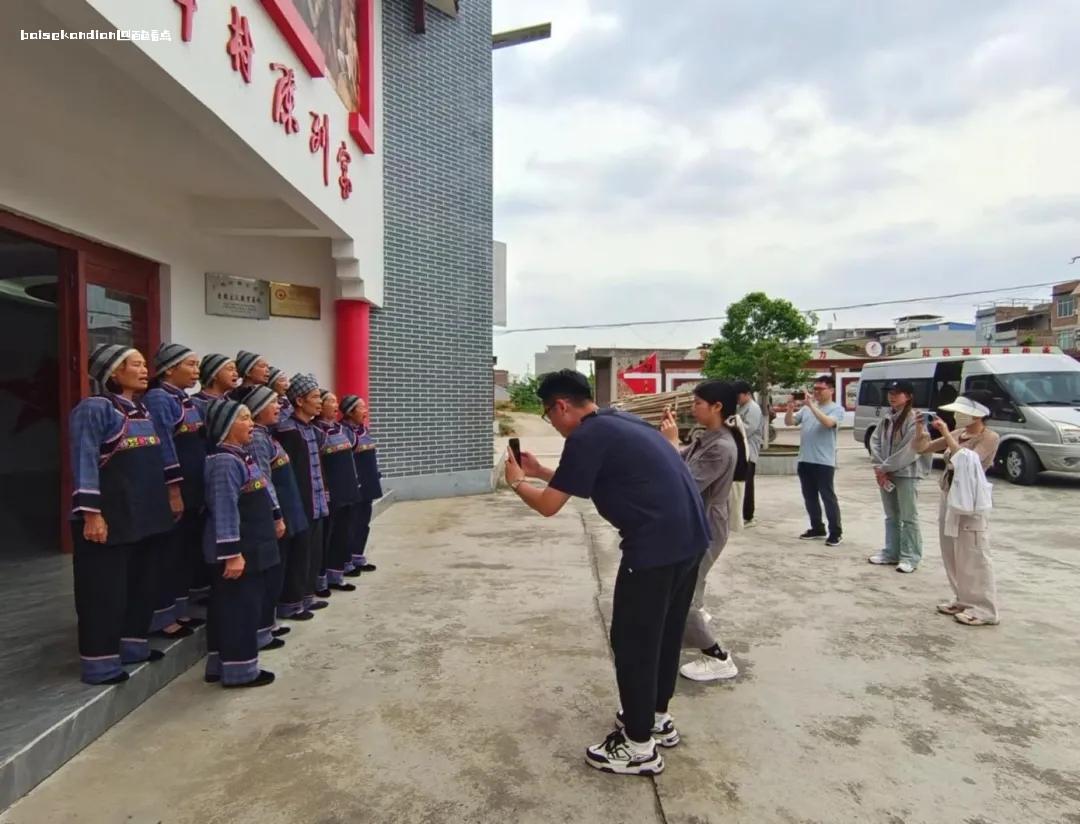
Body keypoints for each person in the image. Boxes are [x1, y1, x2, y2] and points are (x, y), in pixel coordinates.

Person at [505, 370, 709, 776]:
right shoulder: (619, 421)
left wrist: (516, 482)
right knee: (665, 635)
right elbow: (592, 482)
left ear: (561, 406)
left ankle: (638, 747)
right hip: (689, 541)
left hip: (653, 549)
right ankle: (655, 719)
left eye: (548, 414)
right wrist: (543, 471)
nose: (553, 422)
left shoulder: (585, 436)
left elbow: (548, 506)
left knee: (633, 643)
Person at [68, 344, 179, 684]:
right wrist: (91, 513)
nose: (145, 370)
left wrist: (171, 495)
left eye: (146, 364)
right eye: (136, 365)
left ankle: (133, 646)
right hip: (110, 517)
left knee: (140, 584)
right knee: (104, 592)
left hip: (144, 515)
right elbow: (84, 458)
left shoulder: (141, 410)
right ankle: (100, 663)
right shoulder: (95, 409)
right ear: (114, 373)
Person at [659, 380, 742, 682]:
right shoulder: (706, 437)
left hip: (706, 524)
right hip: (695, 521)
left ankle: (717, 655)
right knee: (688, 585)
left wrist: (669, 444)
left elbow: (685, 484)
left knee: (686, 592)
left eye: (697, 403)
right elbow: (683, 458)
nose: (693, 408)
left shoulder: (721, 446)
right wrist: (671, 442)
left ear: (717, 406)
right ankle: (692, 627)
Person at [202, 399, 284, 688]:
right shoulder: (224, 461)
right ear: (226, 425)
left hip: (251, 546)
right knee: (238, 610)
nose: (251, 424)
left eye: (251, 418)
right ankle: (239, 672)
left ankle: (220, 665)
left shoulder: (240, 456)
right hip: (239, 551)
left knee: (239, 607)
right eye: (245, 419)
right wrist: (232, 554)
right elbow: (224, 508)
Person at [915, 395, 1002, 626]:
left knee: (974, 551)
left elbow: (967, 459)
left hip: (972, 500)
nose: (956, 416)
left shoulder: (990, 437)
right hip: (950, 494)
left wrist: (945, 433)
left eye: (962, 411)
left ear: (979, 414)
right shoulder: (957, 433)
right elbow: (923, 448)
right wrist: (920, 429)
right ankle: (962, 599)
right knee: (951, 548)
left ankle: (984, 609)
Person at [144, 343, 207, 638]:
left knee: (183, 553)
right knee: (168, 553)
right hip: (176, 489)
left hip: (194, 489)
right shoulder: (159, 399)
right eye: (190, 365)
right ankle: (162, 617)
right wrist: (174, 491)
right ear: (169, 369)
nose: (196, 371)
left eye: (197, 365)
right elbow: (165, 446)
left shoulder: (186, 400)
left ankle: (178, 611)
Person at [232, 385, 295, 645]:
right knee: (265, 573)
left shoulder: (264, 435)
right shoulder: (254, 440)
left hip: (271, 512)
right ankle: (261, 630)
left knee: (272, 571)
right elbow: (264, 480)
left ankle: (267, 626)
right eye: (272, 402)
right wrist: (276, 514)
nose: (279, 406)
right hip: (261, 517)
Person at [273, 374, 330, 614]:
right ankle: (291, 603)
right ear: (299, 400)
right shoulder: (287, 431)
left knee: (312, 550)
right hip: (299, 499)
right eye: (315, 397)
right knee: (297, 552)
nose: (320, 402)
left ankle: (307, 595)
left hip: (315, 498)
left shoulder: (310, 428)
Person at [867, 380, 931, 573]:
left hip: (906, 474)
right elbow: (875, 441)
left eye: (897, 392)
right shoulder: (887, 418)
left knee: (908, 516)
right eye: (890, 392)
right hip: (886, 472)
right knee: (891, 515)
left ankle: (910, 556)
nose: (892, 396)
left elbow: (910, 450)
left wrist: (885, 467)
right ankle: (891, 552)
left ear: (909, 396)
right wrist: (879, 465)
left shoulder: (915, 419)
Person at [785, 375, 845, 546]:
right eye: (815, 388)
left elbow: (827, 423)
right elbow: (790, 423)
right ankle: (817, 527)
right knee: (809, 497)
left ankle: (836, 531)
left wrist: (811, 406)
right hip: (805, 459)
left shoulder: (836, 409)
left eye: (820, 389)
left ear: (831, 390)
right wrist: (790, 409)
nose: (816, 392)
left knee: (828, 497)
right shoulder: (806, 410)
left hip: (824, 461)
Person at [315, 391, 361, 592]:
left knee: (343, 532)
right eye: (330, 401)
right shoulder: (316, 430)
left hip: (347, 489)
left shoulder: (342, 429)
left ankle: (337, 575)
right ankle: (321, 580)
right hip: (329, 491)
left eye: (335, 401)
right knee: (328, 535)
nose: (335, 405)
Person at [341, 394, 381, 574]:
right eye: (361, 408)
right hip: (356, 485)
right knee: (351, 523)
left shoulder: (364, 430)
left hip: (369, 483)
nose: (365, 411)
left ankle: (358, 556)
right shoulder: (344, 431)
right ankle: (347, 561)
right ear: (350, 411)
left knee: (363, 523)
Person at [734, 381, 765, 527]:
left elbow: (747, 429)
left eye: (738, 395)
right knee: (740, 484)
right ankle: (741, 513)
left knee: (747, 485)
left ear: (747, 394)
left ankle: (748, 515)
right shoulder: (741, 407)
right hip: (741, 451)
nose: (737, 398)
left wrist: (731, 426)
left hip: (749, 452)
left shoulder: (753, 408)